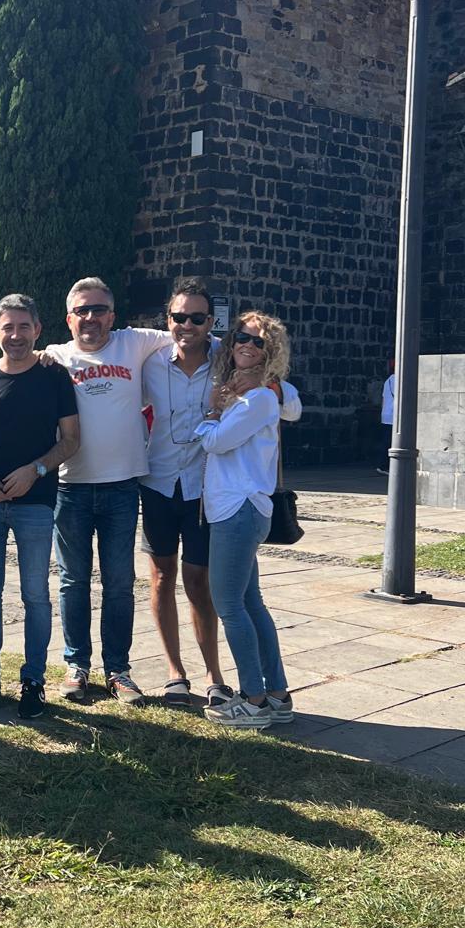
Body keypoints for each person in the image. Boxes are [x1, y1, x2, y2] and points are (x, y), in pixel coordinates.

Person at [140, 281, 301, 707]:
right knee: (162, 578)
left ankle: (217, 676)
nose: (187, 325)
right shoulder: (151, 360)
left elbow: (291, 406)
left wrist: (270, 387)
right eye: (179, 317)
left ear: (211, 322)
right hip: (159, 481)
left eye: (197, 318)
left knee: (204, 583)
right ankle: (176, 673)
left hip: (206, 492)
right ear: (168, 319)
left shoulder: (227, 358)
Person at [43, 278, 171, 705]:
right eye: (81, 311)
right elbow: (3, 368)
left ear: (112, 316)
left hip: (121, 486)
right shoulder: (56, 356)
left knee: (119, 583)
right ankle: (76, 665)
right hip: (71, 487)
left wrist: (258, 370)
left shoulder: (135, 343)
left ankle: (118, 669)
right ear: (69, 319)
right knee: (73, 581)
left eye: (98, 309)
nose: (90, 317)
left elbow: (191, 337)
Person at [0, 294, 79, 720]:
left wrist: (36, 470)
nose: (15, 335)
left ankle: (34, 680)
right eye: (7, 327)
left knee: (35, 595)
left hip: (36, 503)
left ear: (37, 330)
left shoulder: (54, 376)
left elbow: (71, 439)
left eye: (23, 326)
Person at [195, 311, 294, 728]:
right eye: (241, 338)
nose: (247, 346)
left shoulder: (261, 398)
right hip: (240, 508)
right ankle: (277, 694)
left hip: (237, 508)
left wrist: (211, 414)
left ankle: (253, 700)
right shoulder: (249, 394)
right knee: (251, 603)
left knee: (229, 605)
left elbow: (217, 442)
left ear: (271, 353)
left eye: (258, 342)